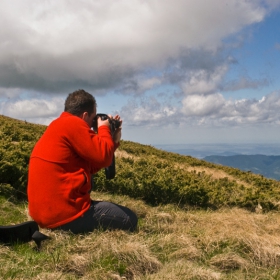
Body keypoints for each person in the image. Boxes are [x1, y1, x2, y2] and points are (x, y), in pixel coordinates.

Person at [27, 89, 138, 234]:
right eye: (93, 119)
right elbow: (104, 158)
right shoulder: (74, 124)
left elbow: (91, 166)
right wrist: (104, 129)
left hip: (43, 216)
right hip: (65, 216)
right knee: (130, 219)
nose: (93, 125)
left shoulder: (58, 125)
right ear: (85, 115)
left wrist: (113, 140)